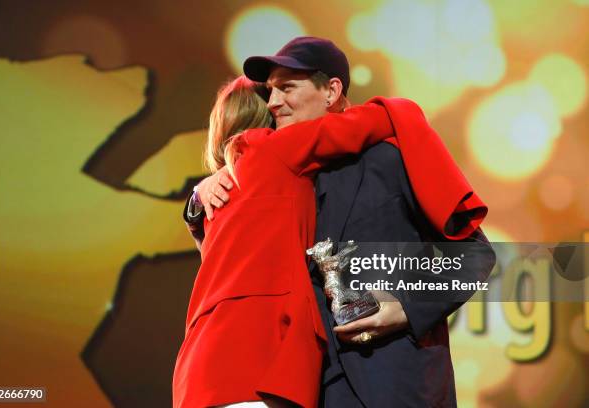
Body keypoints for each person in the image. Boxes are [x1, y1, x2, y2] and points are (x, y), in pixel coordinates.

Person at [187, 37, 496, 407]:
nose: (273, 103)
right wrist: (198, 197)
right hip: (312, 389)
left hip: (398, 384)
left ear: (331, 91)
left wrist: (404, 306)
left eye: (286, 88)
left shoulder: (387, 159)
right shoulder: (277, 175)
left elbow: (474, 255)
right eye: (270, 91)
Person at [172, 75, 396, 407]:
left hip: (199, 372)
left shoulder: (212, 200)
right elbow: (372, 122)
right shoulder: (273, 149)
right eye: (276, 97)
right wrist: (400, 108)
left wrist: (194, 201)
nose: (281, 102)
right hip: (256, 365)